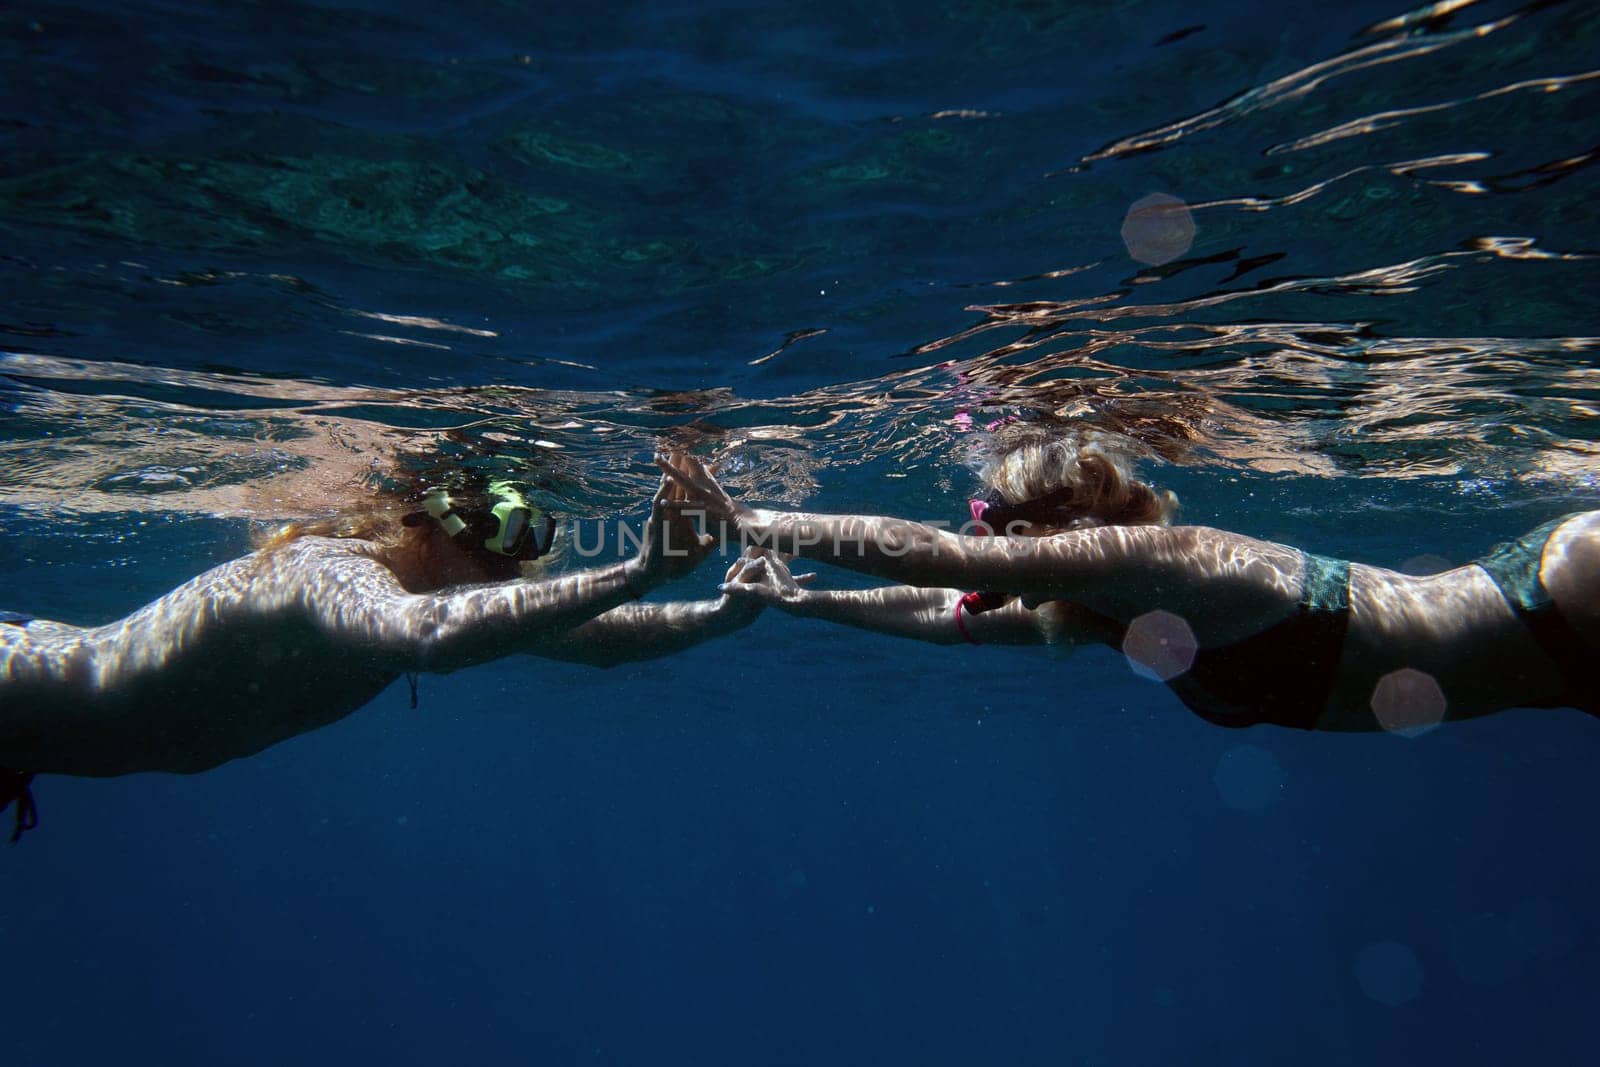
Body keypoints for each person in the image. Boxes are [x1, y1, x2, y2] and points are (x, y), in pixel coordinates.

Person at [0, 461, 786, 841]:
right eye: (497, 534)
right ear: (424, 520)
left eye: (530, 540)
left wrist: (722, 615)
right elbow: (431, 639)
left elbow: (597, 644)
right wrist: (638, 570)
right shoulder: (330, 569)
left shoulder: (430, 595)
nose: (514, 565)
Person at [658, 429, 1599, 731]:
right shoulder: (1106, 614)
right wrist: (798, 598)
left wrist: (743, 517)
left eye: (994, 517)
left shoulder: (1159, 562)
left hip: (1559, 592)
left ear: (1061, 518)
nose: (978, 529)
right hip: (1564, 666)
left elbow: (949, 562)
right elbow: (944, 613)